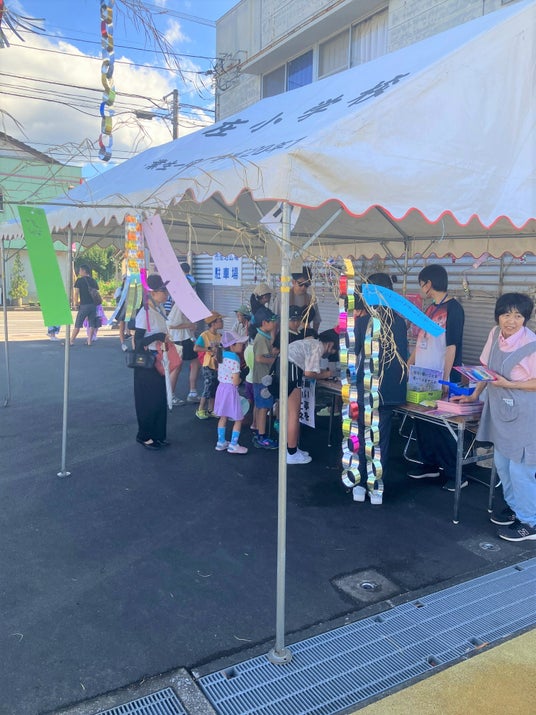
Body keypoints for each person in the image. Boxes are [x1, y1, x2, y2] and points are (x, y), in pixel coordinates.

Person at [454, 293, 536, 541]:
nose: (511, 321)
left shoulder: (531, 344)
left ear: (525, 318)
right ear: (498, 316)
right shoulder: (494, 334)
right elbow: (486, 370)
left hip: (525, 414)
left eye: (518, 316)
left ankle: (530, 523)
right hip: (499, 410)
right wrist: (473, 395)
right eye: (506, 314)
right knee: (502, 464)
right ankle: (516, 508)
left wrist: (509, 384)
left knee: (521, 469)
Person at [406, 264, 465, 491]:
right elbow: (420, 340)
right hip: (422, 375)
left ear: (428, 284)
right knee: (422, 421)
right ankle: (429, 464)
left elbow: (452, 346)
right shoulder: (430, 309)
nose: (421, 288)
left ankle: (454, 473)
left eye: (421, 284)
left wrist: (446, 379)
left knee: (443, 425)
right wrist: (409, 363)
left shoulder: (454, 308)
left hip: (441, 375)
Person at [354, 273, 408, 491]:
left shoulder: (363, 322)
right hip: (389, 391)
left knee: (361, 436)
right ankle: (376, 486)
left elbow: (354, 352)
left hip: (366, 388)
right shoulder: (400, 323)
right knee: (380, 439)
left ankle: (359, 484)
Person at [268, 328, 336, 464]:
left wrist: (322, 372)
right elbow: (309, 373)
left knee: (290, 414)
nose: (333, 353)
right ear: (330, 344)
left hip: (282, 367)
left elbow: (308, 369)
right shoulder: (318, 347)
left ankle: (290, 449)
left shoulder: (312, 342)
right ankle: (291, 453)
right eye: (334, 350)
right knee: (294, 415)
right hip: (291, 372)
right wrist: (328, 374)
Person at [133, 274, 171, 450]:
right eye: (164, 290)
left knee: (159, 398)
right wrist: (158, 336)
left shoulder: (159, 310)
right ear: (154, 292)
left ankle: (158, 434)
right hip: (147, 363)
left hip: (159, 360)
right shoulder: (145, 313)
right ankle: (145, 436)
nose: (166, 294)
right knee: (148, 400)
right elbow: (138, 341)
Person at [214, 331, 250, 454]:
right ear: (232, 345)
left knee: (223, 416)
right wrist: (243, 375)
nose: (242, 345)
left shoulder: (221, 355)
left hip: (221, 388)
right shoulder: (234, 358)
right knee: (238, 418)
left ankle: (221, 442)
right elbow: (235, 382)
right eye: (240, 343)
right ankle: (233, 445)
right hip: (230, 390)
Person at [251, 306, 279, 449]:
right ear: (264, 323)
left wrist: (273, 353)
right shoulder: (261, 338)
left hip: (261, 378)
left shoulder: (264, 336)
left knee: (260, 406)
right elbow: (259, 358)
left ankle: (258, 431)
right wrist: (275, 360)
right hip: (263, 379)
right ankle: (262, 436)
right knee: (263, 408)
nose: (274, 323)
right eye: (272, 321)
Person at [166, 301, 201, 406]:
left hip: (184, 338)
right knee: (177, 367)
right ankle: (172, 395)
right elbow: (171, 324)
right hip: (180, 339)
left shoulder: (184, 304)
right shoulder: (179, 304)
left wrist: (191, 325)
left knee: (194, 362)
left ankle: (192, 392)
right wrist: (189, 325)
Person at [194, 312, 224, 419]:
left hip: (217, 365)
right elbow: (196, 348)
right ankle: (200, 409)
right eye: (220, 321)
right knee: (208, 386)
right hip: (208, 365)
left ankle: (211, 409)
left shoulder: (219, 336)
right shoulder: (204, 335)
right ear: (213, 324)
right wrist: (209, 349)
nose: (222, 323)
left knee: (215, 387)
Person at [274, 266, 321, 332]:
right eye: (301, 284)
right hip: (286, 335)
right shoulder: (282, 298)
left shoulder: (311, 299)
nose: (303, 287)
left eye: (306, 285)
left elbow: (317, 320)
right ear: (293, 282)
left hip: (304, 335)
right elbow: (275, 320)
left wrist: (314, 334)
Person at [70, 264, 99, 346]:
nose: (79, 272)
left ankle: (71, 341)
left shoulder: (79, 280)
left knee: (78, 324)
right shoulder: (93, 281)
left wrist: (76, 303)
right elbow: (97, 292)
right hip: (93, 305)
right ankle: (89, 341)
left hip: (84, 305)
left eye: (80, 270)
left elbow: (76, 293)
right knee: (92, 323)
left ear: (84, 271)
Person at [114, 275, 132, 352]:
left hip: (131, 308)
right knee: (122, 326)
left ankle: (134, 344)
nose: (126, 281)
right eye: (125, 279)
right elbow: (116, 298)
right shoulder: (120, 289)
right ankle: (123, 343)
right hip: (122, 309)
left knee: (133, 326)